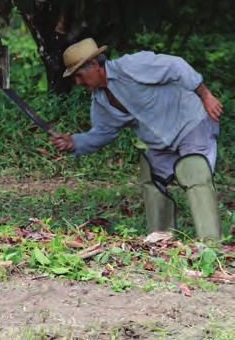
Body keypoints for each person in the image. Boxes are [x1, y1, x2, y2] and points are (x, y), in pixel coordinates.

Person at [51, 38, 223, 240]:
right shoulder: (100, 100)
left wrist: (206, 96)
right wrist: (74, 142)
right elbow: (103, 133)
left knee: (195, 172)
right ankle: (161, 238)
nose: (78, 82)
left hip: (189, 122)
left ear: (95, 65)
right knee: (151, 177)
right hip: (160, 143)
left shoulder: (132, 66)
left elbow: (176, 65)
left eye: (79, 75)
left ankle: (211, 244)